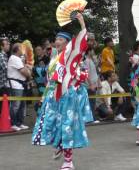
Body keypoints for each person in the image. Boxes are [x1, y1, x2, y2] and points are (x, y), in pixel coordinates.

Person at [32, 13, 93, 170]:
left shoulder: (69, 55)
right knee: (52, 124)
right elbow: (50, 80)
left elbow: (79, 44)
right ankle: (59, 145)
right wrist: (43, 98)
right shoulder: (54, 59)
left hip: (66, 95)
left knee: (67, 126)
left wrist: (82, 23)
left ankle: (68, 161)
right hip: (53, 96)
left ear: (67, 43)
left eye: (60, 39)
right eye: (56, 39)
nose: (56, 42)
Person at [7, 43, 32, 131]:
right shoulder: (14, 58)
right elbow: (24, 71)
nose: (23, 50)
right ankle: (13, 123)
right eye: (22, 49)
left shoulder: (18, 59)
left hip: (20, 84)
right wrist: (29, 73)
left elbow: (26, 69)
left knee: (22, 105)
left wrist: (27, 69)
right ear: (17, 49)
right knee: (16, 105)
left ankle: (19, 123)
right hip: (15, 85)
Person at [84, 32, 101, 123]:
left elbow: (95, 72)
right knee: (91, 102)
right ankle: (91, 118)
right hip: (89, 84)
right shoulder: (86, 60)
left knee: (92, 101)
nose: (93, 52)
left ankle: (92, 118)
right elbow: (86, 73)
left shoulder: (90, 60)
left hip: (93, 83)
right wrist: (90, 84)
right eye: (91, 51)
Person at [0, 38, 10, 111]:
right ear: (2, 46)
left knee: (4, 106)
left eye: (9, 44)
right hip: (2, 86)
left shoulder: (6, 56)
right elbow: (7, 69)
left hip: (5, 85)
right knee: (2, 106)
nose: (9, 46)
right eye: (7, 44)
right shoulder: (1, 56)